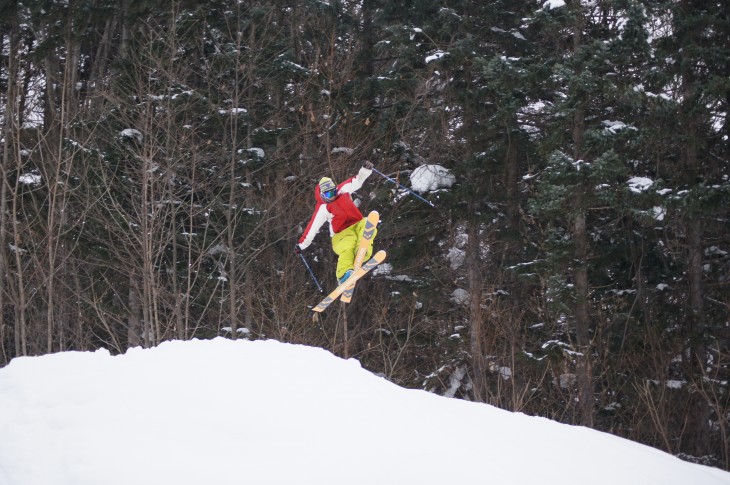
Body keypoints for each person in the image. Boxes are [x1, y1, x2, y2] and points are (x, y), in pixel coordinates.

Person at [296, 162, 376, 285]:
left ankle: (362, 251)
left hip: (357, 224)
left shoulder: (342, 190)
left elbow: (357, 181)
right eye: (328, 194)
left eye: (333, 192)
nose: (332, 196)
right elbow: (312, 228)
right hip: (341, 234)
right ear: (323, 195)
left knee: (367, 223)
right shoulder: (323, 208)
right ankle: (343, 274)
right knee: (349, 243)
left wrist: (365, 170)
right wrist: (301, 245)